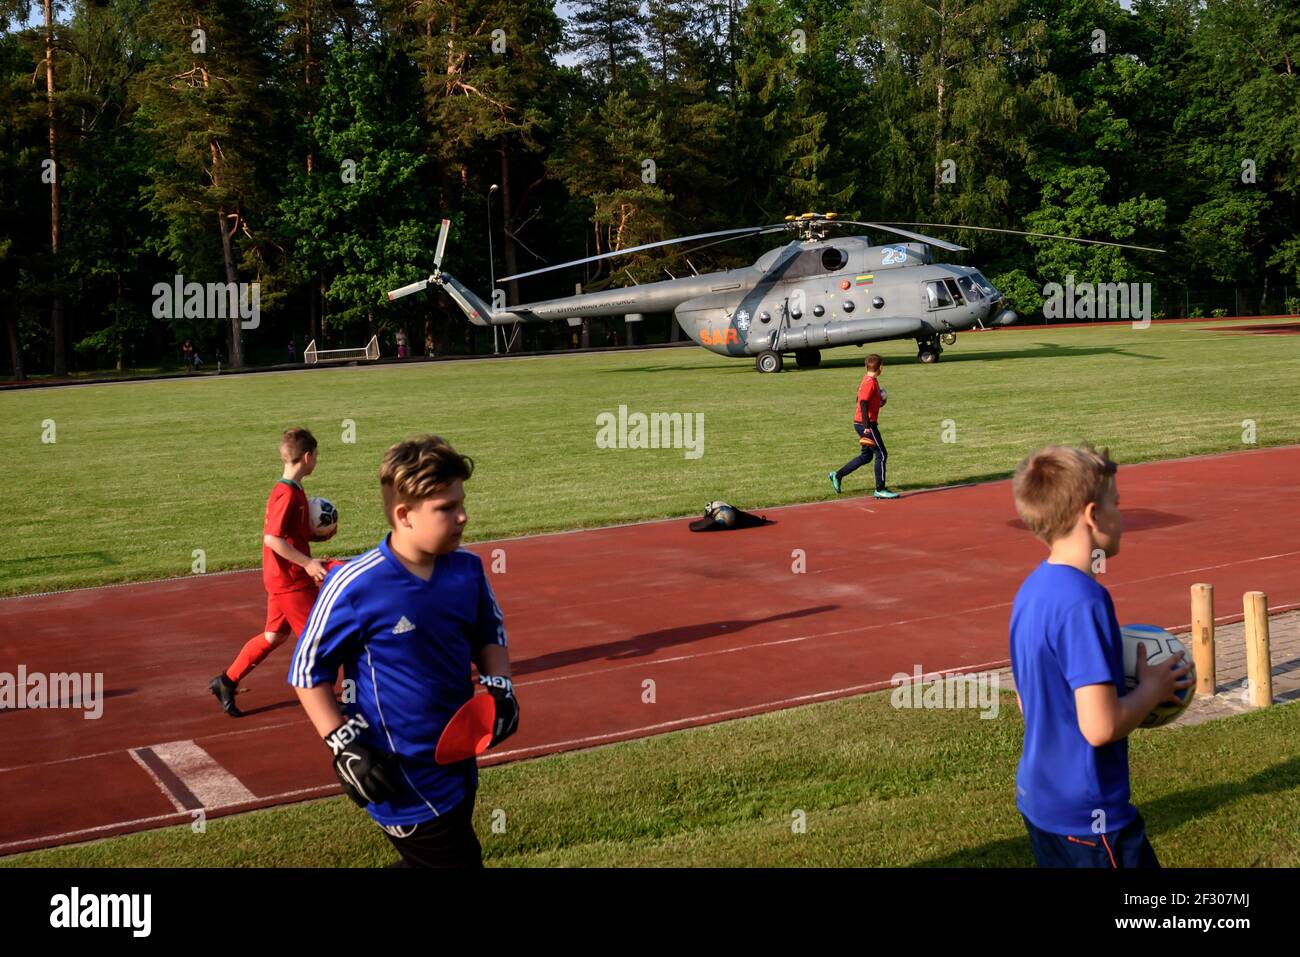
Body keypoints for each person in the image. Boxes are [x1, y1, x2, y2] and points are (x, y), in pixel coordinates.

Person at [288, 435, 517, 868]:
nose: (463, 516)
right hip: (397, 773)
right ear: (404, 515)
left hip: (458, 757)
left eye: (461, 501)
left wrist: (501, 686)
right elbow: (307, 671)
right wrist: (343, 745)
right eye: (446, 508)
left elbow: (489, 631)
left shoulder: (467, 569)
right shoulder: (355, 585)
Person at [1009, 445, 1191, 867]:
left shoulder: (1032, 590)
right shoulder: (1085, 602)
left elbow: (1026, 701)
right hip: (1090, 820)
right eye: (1118, 505)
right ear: (1093, 516)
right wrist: (1152, 688)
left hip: (1040, 801)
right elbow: (1100, 726)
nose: (1123, 518)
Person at [209, 428, 340, 717]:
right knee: (319, 638)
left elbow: (291, 533)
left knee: (273, 636)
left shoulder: (292, 490)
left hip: (281, 577)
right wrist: (307, 563)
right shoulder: (287, 494)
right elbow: (273, 538)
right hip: (291, 580)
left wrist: (318, 536)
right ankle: (325, 699)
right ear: (307, 457)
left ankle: (226, 681)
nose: (316, 460)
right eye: (316, 455)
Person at [828, 353, 898, 498]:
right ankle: (880, 488)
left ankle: (838, 475)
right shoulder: (870, 383)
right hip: (866, 425)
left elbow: (860, 400)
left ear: (866, 367)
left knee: (866, 456)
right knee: (882, 454)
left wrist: (879, 403)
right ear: (881, 368)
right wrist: (866, 425)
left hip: (863, 423)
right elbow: (862, 403)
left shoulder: (869, 380)